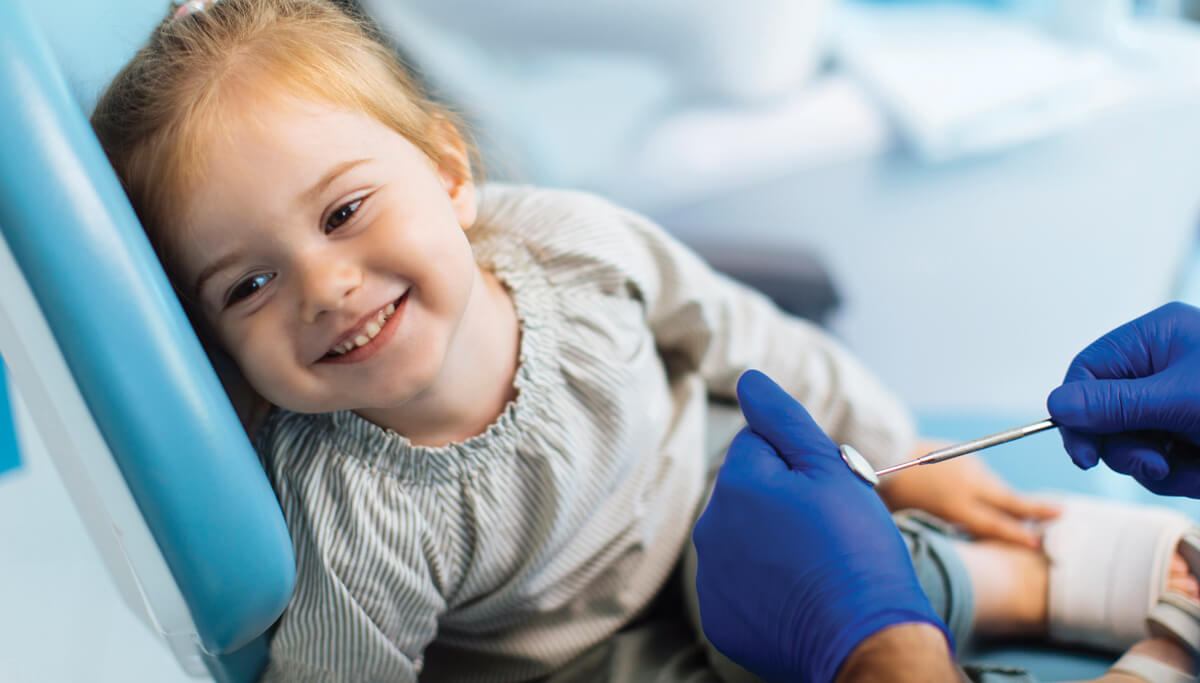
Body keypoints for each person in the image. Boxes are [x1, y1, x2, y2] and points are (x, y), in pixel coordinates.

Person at [90, 2, 1199, 680]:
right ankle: (1096, 609)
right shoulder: (358, 513)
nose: (326, 285)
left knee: (887, 555)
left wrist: (895, 457)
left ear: (449, 171)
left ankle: (1053, 578)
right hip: (590, 657)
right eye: (248, 283)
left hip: (723, 494)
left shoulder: (575, 243)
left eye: (343, 212)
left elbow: (754, 346)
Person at [695, 300, 1200, 681]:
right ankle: (1018, 582)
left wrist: (890, 447)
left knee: (854, 558)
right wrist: (877, 653)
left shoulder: (613, 247)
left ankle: (1006, 580)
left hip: (721, 462)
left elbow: (731, 325)